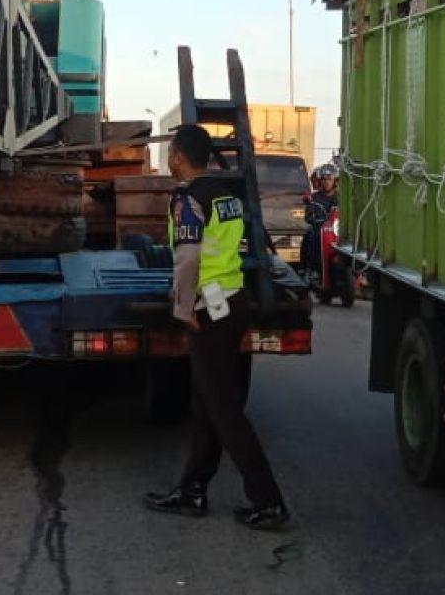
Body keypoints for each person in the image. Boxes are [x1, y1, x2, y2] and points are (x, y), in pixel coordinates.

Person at [143, 124, 289, 530]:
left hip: (208, 309)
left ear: (177, 155)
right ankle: (192, 490)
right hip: (232, 301)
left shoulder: (187, 199)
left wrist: (183, 306)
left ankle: (268, 500)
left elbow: (188, 258)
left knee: (224, 410)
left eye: (171, 153)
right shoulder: (227, 196)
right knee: (208, 402)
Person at [302, 163, 339, 275]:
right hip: (320, 230)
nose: (326, 182)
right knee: (312, 235)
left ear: (335, 181)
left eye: (329, 179)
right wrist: (312, 215)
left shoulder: (341, 197)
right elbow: (308, 217)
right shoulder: (314, 198)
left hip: (337, 230)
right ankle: (311, 268)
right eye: (323, 179)